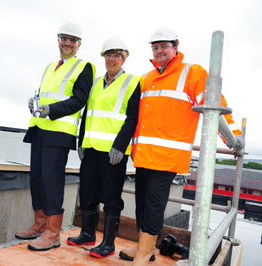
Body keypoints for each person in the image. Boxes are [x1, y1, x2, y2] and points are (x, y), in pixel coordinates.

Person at [118, 26, 244, 265]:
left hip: (167, 157)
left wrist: (233, 136)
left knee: (154, 205)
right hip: (144, 155)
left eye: (164, 46)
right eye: (155, 47)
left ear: (176, 46)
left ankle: (144, 253)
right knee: (143, 204)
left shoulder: (192, 73)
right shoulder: (148, 77)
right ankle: (144, 247)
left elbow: (214, 104)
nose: (159, 51)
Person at [15, 22, 95, 252]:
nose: (67, 43)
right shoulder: (50, 66)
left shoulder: (84, 67)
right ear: (58, 40)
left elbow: (79, 100)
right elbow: (46, 95)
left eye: (72, 40)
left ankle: (52, 233)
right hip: (39, 128)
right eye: (63, 38)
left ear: (78, 45)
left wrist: (53, 110)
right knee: (37, 179)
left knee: (51, 180)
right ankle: (39, 224)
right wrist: (35, 102)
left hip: (59, 131)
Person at [67, 37, 141, 258]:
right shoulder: (95, 83)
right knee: (88, 192)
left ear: (124, 58)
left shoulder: (133, 82)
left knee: (111, 197)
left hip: (113, 152)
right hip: (90, 148)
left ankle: (108, 243)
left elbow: (132, 118)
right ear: (104, 57)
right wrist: (81, 141)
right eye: (109, 54)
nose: (112, 59)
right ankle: (88, 233)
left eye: (117, 55)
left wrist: (120, 146)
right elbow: (87, 114)